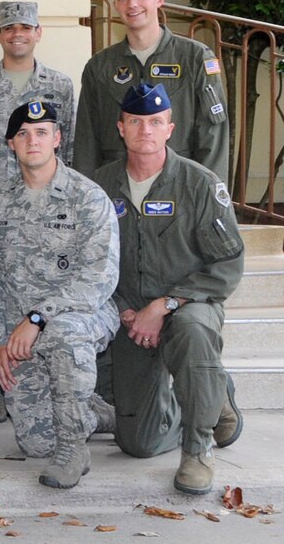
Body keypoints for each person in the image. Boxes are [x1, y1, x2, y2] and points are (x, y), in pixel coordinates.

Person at [89, 83, 244, 495]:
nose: (145, 130)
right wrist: (122, 306)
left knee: (193, 332)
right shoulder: (98, 186)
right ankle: (212, 397)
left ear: (170, 128)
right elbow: (89, 259)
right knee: (137, 443)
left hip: (189, 302)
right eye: (136, 122)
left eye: (155, 122)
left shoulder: (199, 185)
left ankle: (198, 448)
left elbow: (226, 264)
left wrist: (164, 304)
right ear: (120, 128)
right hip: (128, 313)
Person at [0, 102, 119, 488]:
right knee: (36, 442)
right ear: (11, 144)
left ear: (57, 139)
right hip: (20, 328)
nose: (32, 140)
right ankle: (93, 412)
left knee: (64, 332)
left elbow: (98, 278)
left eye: (42, 132)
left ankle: (74, 449)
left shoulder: (87, 197)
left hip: (82, 313)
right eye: (23, 133)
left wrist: (38, 317)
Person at [76, 0, 231, 182]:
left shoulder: (194, 58)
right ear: (116, 5)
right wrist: (87, 198)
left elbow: (212, 136)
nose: (132, 4)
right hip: (117, 191)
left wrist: (210, 196)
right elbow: (86, 140)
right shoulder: (100, 67)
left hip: (180, 186)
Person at [0, 1, 78, 194]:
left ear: (38, 33)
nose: (17, 34)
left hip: (50, 194)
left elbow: (70, 145)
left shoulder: (60, 85)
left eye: (26, 28)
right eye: (9, 28)